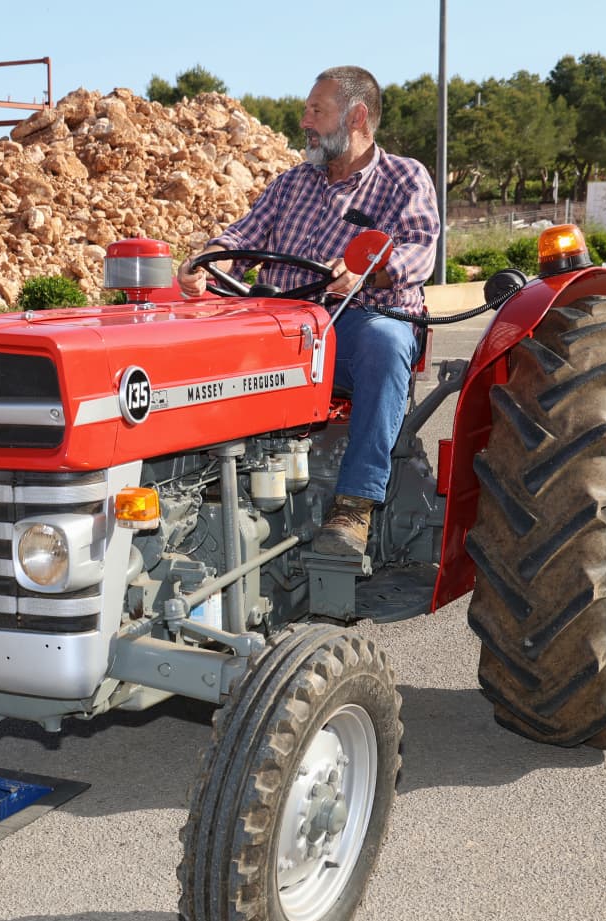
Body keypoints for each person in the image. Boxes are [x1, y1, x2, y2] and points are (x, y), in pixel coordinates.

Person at [178, 65, 438, 557]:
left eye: (316, 110)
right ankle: (210, 483)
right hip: (286, 320)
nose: (304, 120)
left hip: (361, 320)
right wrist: (207, 259)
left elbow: (419, 251)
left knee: (385, 343)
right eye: (306, 109)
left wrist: (369, 271)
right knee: (200, 344)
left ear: (357, 116)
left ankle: (354, 506)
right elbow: (243, 235)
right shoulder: (293, 183)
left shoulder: (404, 178)